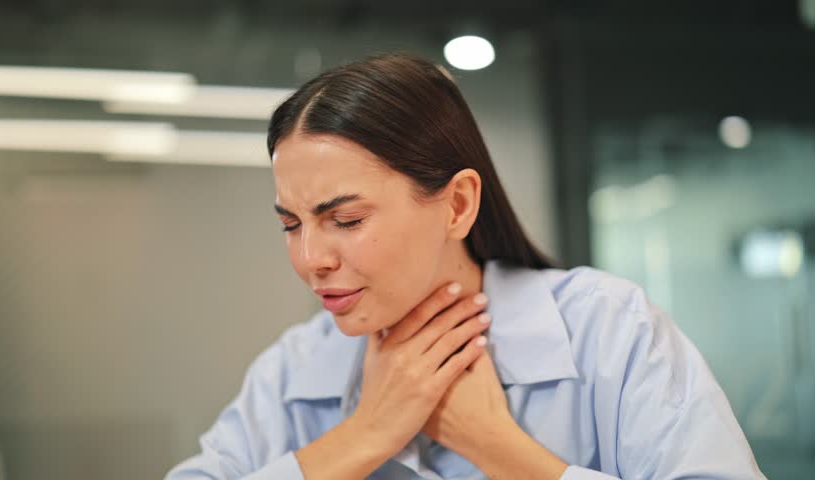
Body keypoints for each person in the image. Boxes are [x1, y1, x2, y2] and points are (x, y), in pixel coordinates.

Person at [166, 53, 765, 479]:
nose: (310, 259)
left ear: (457, 204)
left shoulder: (608, 330)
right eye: (290, 225)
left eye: (345, 221)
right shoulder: (292, 371)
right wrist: (364, 436)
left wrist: (501, 451)